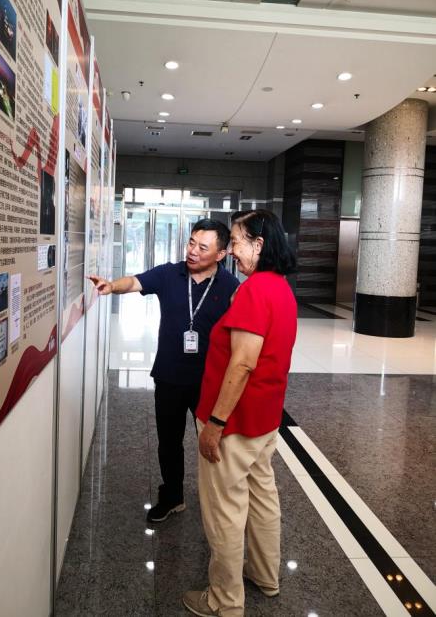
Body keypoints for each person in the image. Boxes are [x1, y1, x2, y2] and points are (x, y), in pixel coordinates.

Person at [183, 209, 297, 617]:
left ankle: (225, 601)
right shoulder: (280, 288)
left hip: (235, 423)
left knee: (225, 512)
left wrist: (215, 423)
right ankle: (266, 576)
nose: (231, 250)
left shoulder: (253, 291)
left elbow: (243, 363)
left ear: (258, 244)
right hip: (264, 420)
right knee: (263, 498)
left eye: (235, 241)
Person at [89, 218, 239, 522]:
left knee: (213, 444)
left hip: (209, 381)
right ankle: (172, 496)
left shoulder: (230, 287)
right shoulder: (170, 273)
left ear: (221, 254)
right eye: (191, 243)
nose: (193, 251)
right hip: (169, 375)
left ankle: (218, 504)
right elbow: (135, 282)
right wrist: (112, 286)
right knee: (169, 442)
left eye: (203, 247)